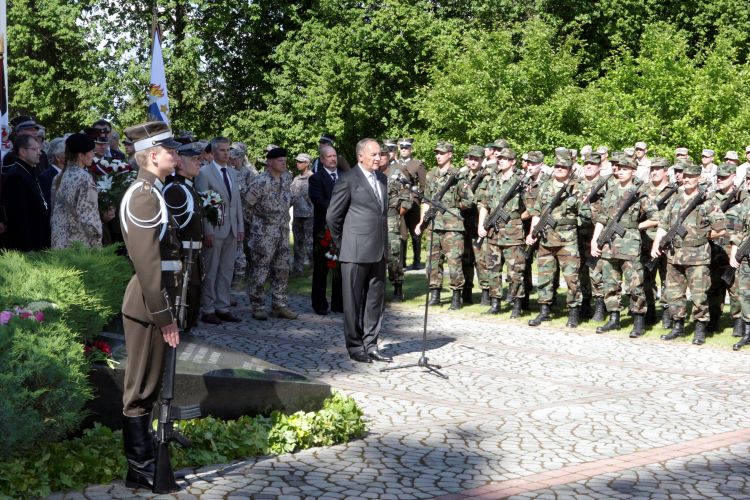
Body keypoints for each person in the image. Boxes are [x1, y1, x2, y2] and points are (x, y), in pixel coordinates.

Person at [118, 121, 183, 491]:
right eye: (170, 150)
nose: (176, 155)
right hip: (148, 305)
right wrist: (164, 317)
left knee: (149, 384)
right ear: (153, 155)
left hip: (154, 302)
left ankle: (141, 466)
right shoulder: (144, 196)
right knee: (141, 388)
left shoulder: (152, 191)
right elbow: (147, 263)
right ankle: (141, 466)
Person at [326, 138, 390, 363]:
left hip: (378, 251)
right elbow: (333, 216)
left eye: (380, 154)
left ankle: (371, 344)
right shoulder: (348, 179)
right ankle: (355, 347)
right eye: (373, 154)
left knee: (375, 301)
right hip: (354, 251)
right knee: (352, 303)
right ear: (360, 156)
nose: (378, 158)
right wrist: (343, 243)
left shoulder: (382, 178)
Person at [652, 163, 726, 345]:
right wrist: (656, 243)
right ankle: (678, 326)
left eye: (691, 177)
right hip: (674, 254)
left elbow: (721, 229)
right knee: (673, 294)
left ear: (699, 178)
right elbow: (663, 224)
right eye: (685, 176)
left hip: (698, 256)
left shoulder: (707, 202)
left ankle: (700, 329)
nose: (687, 179)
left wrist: (702, 236)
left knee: (699, 296)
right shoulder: (675, 199)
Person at [591, 157, 658, 337]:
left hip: (629, 245)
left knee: (635, 284)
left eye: (625, 169)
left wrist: (635, 226)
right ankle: (614, 318)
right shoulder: (611, 191)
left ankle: (638, 321)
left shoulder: (639, 192)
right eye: (619, 169)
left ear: (633, 171)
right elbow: (601, 218)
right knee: (610, 283)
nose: (620, 172)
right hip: (608, 244)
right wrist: (594, 240)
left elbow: (656, 217)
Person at [526, 155, 589, 328]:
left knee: (571, 278)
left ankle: (573, 312)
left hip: (567, 240)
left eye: (564, 166)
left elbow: (585, 215)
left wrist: (579, 204)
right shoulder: (545, 186)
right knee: (544, 277)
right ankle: (544, 311)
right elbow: (537, 212)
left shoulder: (577, 188)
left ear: (570, 169)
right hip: (546, 239)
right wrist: (533, 232)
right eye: (557, 166)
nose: (560, 169)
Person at [417, 141, 474, 310]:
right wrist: (421, 222)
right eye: (436, 153)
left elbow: (469, 200)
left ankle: (456, 296)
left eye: (441, 153)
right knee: (432, 262)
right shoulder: (431, 175)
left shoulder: (458, 175)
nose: (438, 156)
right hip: (434, 224)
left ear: (450, 155)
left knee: (454, 261)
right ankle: (435, 294)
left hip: (452, 226)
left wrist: (454, 207)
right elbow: (426, 200)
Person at [244, 147, 298, 320]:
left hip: (282, 232)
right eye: (280, 160)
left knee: (282, 269)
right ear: (269, 162)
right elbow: (247, 208)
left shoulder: (286, 178)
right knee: (260, 270)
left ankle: (279, 305)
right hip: (263, 234)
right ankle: (257, 305)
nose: (284, 163)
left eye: (285, 160)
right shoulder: (260, 182)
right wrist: (256, 228)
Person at [195, 137, 244, 324]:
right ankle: (208, 308)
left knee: (226, 270)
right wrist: (207, 230)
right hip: (214, 230)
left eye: (228, 150)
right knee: (211, 270)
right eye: (222, 150)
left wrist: (240, 227)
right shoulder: (204, 173)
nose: (226, 153)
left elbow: (236, 202)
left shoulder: (232, 172)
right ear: (213, 152)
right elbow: (204, 204)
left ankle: (222, 307)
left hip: (231, 229)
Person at [476, 148, 526, 317]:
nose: (501, 160)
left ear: (513, 161)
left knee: (515, 271)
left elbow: (532, 209)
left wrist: (515, 218)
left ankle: (517, 305)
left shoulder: (520, 181)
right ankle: (495, 303)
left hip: (513, 234)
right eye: (500, 158)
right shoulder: (492, 180)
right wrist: (481, 225)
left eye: (505, 158)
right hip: (493, 232)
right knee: (493, 269)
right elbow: (484, 205)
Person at [163, 142, 205, 331]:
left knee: (193, 302)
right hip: (184, 257)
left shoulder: (187, 187)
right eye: (194, 159)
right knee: (183, 305)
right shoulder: (175, 189)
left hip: (192, 256)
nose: (199, 163)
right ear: (179, 163)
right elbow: (173, 231)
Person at [706, 163, 743, 336]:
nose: (720, 180)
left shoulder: (743, 197)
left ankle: (738, 322)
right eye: (718, 177)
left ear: (733, 177)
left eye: (724, 177)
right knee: (714, 286)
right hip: (714, 249)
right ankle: (714, 319)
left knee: (735, 288)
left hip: (733, 248)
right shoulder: (711, 197)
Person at [641, 157, 677, 327]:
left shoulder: (675, 190)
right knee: (646, 277)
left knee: (667, 278)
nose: (654, 172)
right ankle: (650, 309)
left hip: (666, 240)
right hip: (647, 239)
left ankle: (667, 312)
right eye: (652, 169)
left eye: (658, 169)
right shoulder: (644, 189)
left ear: (666, 171)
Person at [308, 145, 344, 315]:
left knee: (341, 267)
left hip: (343, 229)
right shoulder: (316, 178)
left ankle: (339, 303)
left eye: (334, 156)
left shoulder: (345, 176)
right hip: (324, 229)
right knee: (321, 268)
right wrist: (339, 210)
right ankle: (320, 304)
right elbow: (319, 201)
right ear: (322, 159)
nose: (333, 159)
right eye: (329, 156)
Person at [50, 134, 102, 248]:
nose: (93, 155)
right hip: (79, 247)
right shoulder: (85, 179)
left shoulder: (58, 177)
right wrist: (97, 243)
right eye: (91, 151)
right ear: (81, 155)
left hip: (58, 244)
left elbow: (53, 212)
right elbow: (89, 217)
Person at [1, 134, 50, 251]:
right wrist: (27, 249)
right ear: (23, 151)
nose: (39, 153)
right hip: (29, 244)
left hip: (39, 239)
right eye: (35, 149)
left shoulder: (30, 171)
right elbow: (18, 217)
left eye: (39, 149)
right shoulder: (16, 176)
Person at [578, 153, 608, 320]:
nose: (588, 166)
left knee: (596, 270)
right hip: (578, 233)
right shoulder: (576, 184)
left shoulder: (606, 184)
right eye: (586, 164)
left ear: (599, 166)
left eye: (592, 164)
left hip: (596, 233)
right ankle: (585, 302)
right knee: (581, 270)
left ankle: (600, 305)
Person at [381, 142, 413, 302]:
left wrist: (397, 214)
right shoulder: (371, 173)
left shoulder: (396, 173)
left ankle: (398, 287)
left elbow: (407, 198)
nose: (380, 158)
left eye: (383, 155)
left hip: (391, 217)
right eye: (377, 155)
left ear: (388, 156)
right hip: (373, 220)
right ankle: (377, 288)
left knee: (393, 254)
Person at [462, 145, 491, 306]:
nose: (473, 162)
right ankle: (466, 292)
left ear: (482, 160)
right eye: (470, 158)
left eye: (476, 159)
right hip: (464, 223)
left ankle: (486, 293)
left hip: (480, 224)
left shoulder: (488, 177)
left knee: (482, 261)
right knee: (465, 259)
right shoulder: (461, 176)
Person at [397, 137, 427, 270]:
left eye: (406, 148)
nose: (404, 150)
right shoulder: (395, 164)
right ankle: (401, 261)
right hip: (398, 202)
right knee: (400, 232)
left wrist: (416, 197)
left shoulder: (417, 164)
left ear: (411, 149)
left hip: (413, 202)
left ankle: (416, 261)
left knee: (415, 232)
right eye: (402, 147)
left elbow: (424, 185)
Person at [290, 153, 314, 275]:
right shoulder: (296, 179)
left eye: (300, 162)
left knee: (311, 244)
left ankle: (314, 269)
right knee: (297, 243)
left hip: (310, 216)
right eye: (297, 161)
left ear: (307, 163)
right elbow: (291, 196)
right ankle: (297, 269)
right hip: (297, 215)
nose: (298, 163)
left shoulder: (313, 178)